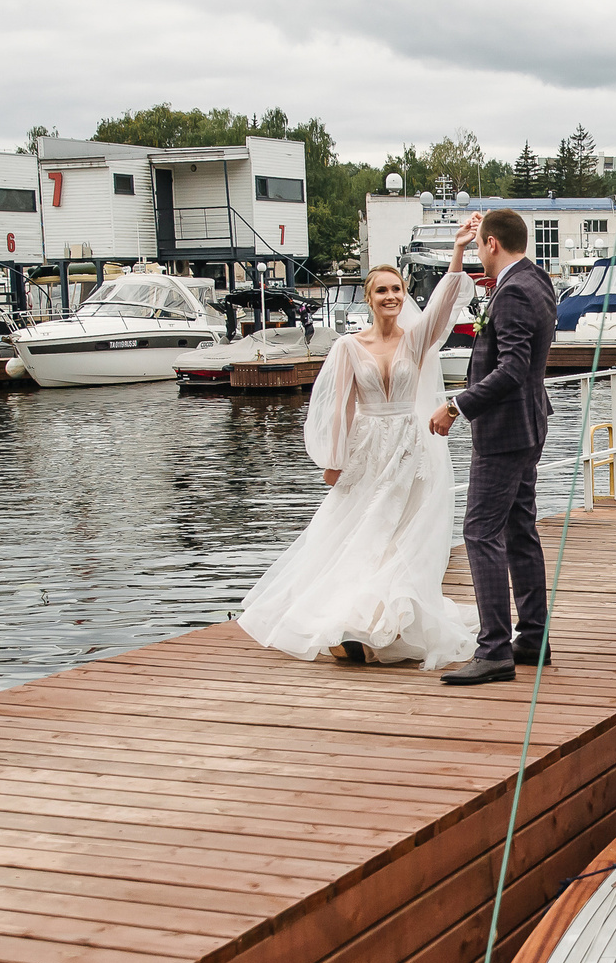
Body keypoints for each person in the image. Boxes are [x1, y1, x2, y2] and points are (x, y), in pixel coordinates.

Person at [234, 219, 481, 669]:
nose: (391, 297)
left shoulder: (416, 340)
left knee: (398, 535)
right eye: (382, 290)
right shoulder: (349, 346)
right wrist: (333, 458)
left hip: (408, 448)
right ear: (369, 299)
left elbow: (444, 305)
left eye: (397, 290)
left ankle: (382, 622)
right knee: (357, 531)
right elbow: (337, 406)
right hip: (368, 448)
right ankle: (351, 619)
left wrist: (459, 251)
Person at [431, 207, 555, 687]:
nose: (481, 253)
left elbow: (512, 369)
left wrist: (456, 406)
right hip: (527, 425)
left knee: (481, 531)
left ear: (492, 245)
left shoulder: (514, 291)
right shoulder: (535, 279)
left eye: (480, 244)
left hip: (505, 431)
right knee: (520, 527)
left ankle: (494, 649)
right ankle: (534, 636)